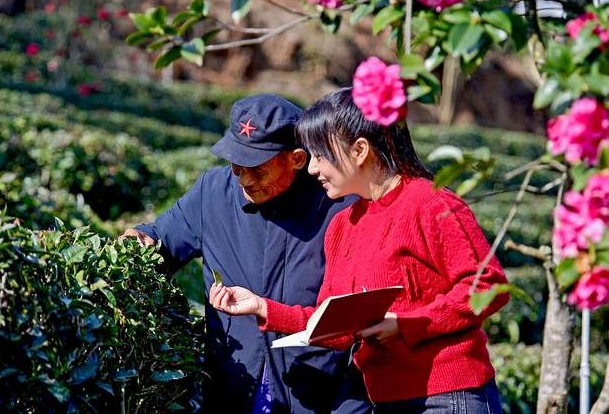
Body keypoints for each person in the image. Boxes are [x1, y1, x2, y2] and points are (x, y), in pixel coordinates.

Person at [209, 88, 510, 414]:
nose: (311, 169)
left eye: (320, 156)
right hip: (383, 400)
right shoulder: (342, 226)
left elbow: (488, 287)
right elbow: (335, 327)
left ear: (359, 150)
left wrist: (405, 324)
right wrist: (261, 307)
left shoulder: (431, 203)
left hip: (448, 397)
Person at [122, 94, 372, 414]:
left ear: (296, 159)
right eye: (236, 165)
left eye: (257, 169)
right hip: (234, 385)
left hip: (317, 394)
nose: (243, 179)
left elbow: (359, 315)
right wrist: (140, 240)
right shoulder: (212, 191)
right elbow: (162, 242)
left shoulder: (339, 203)